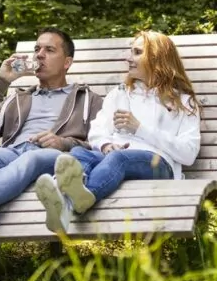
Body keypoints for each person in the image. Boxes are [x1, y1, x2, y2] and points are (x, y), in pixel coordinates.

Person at [0, 28, 103, 252]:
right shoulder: (18, 98)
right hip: (12, 153)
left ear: (67, 62)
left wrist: (64, 143)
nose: (39, 55)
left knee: (32, 157)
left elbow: (100, 143)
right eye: (37, 49)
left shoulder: (87, 99)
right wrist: (1, 81)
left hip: (51, 155)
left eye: (49, 50)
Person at [34, 30, 202, 233]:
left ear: (156, 58)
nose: (128, 58)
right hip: (117, 156)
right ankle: (65, 204)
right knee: (79, 153)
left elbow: (189, 153)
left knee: (119, 158)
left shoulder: (183, 102)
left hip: (160, 164)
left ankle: (72, 203)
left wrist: (140, 129)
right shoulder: (120, 94)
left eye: (137, 52)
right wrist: (105, 144)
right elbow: (97, 131)